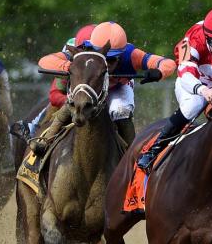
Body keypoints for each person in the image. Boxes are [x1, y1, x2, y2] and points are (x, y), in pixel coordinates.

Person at [135, 7, 212, 195]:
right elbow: (185, 73)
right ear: (207, 37)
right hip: (192, 83)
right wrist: (202, 90)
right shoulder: (194, 38)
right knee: (194, 105)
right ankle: (154, 148)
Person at [32, 21, 176, 154]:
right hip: (93, 86)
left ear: (122, 52)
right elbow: (45, 60)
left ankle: (132, 155)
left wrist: (159, 71)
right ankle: (45, 141)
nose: (106, 63)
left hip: (118, 86)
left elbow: (167, 63)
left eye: (112, 58)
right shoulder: (83, 50)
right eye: (103, 55)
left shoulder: (132, 55)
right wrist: (70, 66)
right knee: (73, 102)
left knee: (120, 110)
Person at [11, 24, 96, 141]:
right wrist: (71, 101)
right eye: (82, 50)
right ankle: (35, 129)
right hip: (70, 101)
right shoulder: (68, 61)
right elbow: (54, 96)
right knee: (53, 106)